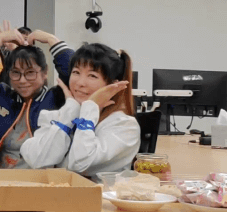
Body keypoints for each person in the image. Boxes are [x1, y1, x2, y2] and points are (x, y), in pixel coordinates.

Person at [20, 44, 140, 177]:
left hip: (101, 191)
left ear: (113, 85)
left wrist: (90, 108)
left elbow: (79, 164)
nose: (80, 83)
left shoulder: (124, 125)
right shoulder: (61, 115)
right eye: (76, 72)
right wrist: (71, 111)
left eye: (92, 76)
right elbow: (38, 161)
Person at [0, 28, 74, 168]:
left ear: (45, 72)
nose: (22, 80)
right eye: (16, 73)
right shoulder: (2, 97)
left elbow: (74, 77)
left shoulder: (56, 98)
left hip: (40, 179)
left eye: (30, 73)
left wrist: (52, 40)